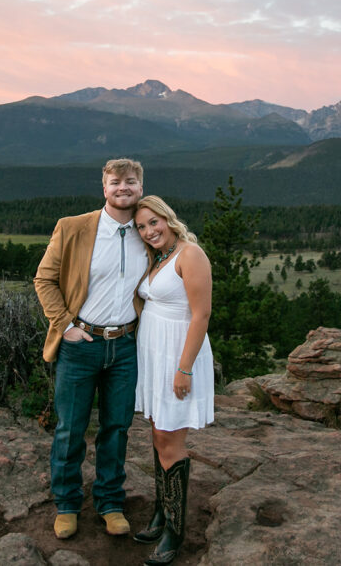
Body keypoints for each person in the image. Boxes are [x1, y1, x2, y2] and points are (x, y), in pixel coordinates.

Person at [34, 158, 150, 540]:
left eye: (130, 182)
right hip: (81, 344)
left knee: (116, 429)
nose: (123, 187)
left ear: (140, 187)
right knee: (70, 429)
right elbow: (44, 280)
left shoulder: (149, 231)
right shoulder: (73, 228)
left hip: (126, 345)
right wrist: (65, 326)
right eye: (115, 182)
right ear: (104, 188)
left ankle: (110, 502)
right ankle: (67, 505)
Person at [131, 195, 214, 566]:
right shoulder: (159, 257)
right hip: (153, 355)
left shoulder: (190, 254)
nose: (149, 231)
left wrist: (184, 369)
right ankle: (162, 512)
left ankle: (174, 532)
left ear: (167, 217)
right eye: (141, 227)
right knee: (157, 432)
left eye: (153, 222)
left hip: (177, 357)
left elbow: (201, 315)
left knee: (169, 439)